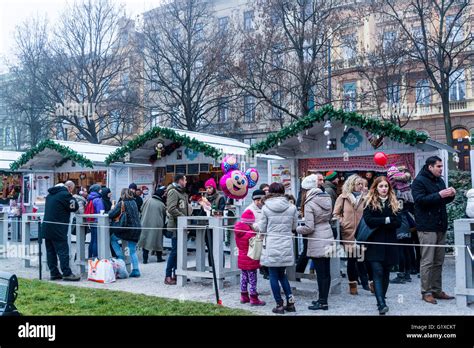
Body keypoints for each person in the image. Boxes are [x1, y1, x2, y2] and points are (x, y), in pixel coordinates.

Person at [412, 156, 456, 304]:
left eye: (441, 166)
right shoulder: (418, 181)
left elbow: (441, 200)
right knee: (427, 261)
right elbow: (419, 201)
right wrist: (439, 194)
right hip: (427, 227)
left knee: (438, 261)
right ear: (430, 167)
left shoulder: (439, 180)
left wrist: (451, 195)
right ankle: (426, 292)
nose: (441, 168)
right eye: (438, 166)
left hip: (440, 225)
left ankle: (437, 290)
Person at [255, 182, 298, 314]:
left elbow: (262, 228)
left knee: (273, 274)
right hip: (286, 243)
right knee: (282, 274)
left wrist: (254, 226)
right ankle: (290, 303)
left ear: (271, 192)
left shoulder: (266, 208)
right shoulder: (292, 207)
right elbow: (294, 227)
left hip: (272, 243)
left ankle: (279, 304)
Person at [363, 176, 401, 315]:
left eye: (386, 186)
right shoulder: (369, 202)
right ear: (376, 188)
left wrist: (383, 221)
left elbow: (398, 222)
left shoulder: (394, 201)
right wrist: (386, 220)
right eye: (381, 186)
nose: (384, 189)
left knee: (386, 273)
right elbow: (369, 221)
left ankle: (382, 297)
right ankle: (381, 304)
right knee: (377, 272)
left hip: (390, 243)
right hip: (374, 242)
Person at [297, 174, 335, 310]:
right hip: (328, 234)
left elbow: (309, 227)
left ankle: (322, 301)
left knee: (320, 273)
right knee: (326, 271)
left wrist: (296, 229)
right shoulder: (327, 197)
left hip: (317, 238)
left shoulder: (309, 202)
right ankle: (323, 300)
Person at [333, 174, 370, 294]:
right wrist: (342, 222)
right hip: (348, 232)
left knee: (363, 258)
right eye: (358, 184)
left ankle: (366, 283)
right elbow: (335, 214)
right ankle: (352, 285)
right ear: (351, 184)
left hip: (363, 232)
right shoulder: (342, 198)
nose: (361, 186)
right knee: (352, 259)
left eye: (362, 184)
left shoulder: (366, 197)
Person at [43, 181, 80, 281]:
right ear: (69, 188)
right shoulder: (65, 194)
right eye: (71, 189)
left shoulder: (50, 195)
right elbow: (74, 207)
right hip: (58, 228)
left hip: (46, 227)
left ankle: (54, 273)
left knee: (50, 251)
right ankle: (67, 273)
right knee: (63, 251)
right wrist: (71, 196)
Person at [387, 166, 415, 285]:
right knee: (407, 248)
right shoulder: (406, 187)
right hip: (408, 219)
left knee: (401, 249)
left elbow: (396, 208)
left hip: (400, 221)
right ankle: (408, 273)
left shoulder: (395, 190)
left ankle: (401, 274)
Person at [234, 209, 266, 306]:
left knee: (243, 277)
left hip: (241, 258)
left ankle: (244, 296)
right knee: (252, 279)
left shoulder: (238, 231)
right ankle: (253, 298)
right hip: (250, 258)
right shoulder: (251, 233)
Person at [165, 174, 192, 285]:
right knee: (175, 251)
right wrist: (183, 217)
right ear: (180, 180)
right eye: (185, 180)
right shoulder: (173, 192)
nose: (186, 182)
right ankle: (167, 276)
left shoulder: (182, 192)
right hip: (176, 226)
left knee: (179, 251)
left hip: (182, 226)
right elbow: (171, 208)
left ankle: (177, 274)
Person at [108, 188, 142, 277]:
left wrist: (112, 208)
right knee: (132, 250)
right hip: (137, 229)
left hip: (127, 229)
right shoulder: (134, 202)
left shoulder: (121, 203)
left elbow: (111, 214)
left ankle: (120, 257)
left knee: (112, 239)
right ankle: (136, 270)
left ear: (122, 194)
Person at [295, 174, 323, 277]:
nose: (321, 182)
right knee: (307, 250)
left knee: (314, 251)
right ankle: (298, 273)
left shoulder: (321, 191)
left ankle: (316, 273)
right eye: (319, 180)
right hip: (308, 224)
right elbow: (299, 206)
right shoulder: (303, 193)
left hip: (317, 226)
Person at [138, 186, 166, 264]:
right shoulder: (161, 204)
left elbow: (141, 209)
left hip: (145, 223)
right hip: (157, 225)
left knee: (145, 241)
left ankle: (145, 259)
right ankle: (159, 258)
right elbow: (165, 214)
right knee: (158, 241)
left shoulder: (148, 200)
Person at [246, 189, 269, 280]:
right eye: (257, 200)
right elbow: (247, 226)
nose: (259, 202)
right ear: (253, 200)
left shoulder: (267, 208)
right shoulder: (249, 210)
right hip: (255, 239)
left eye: (261, 200)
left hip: (266, 237)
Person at [86, 184, 105, 259]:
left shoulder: (90, 198)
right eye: (100, 189)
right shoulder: (97, 199)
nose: (101, 190)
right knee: (96, 240)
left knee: (92, 239)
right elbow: (101, 211)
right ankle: (95, 257)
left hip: (91, 221)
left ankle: (90, 256)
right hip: (97, 222)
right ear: (97, 190)